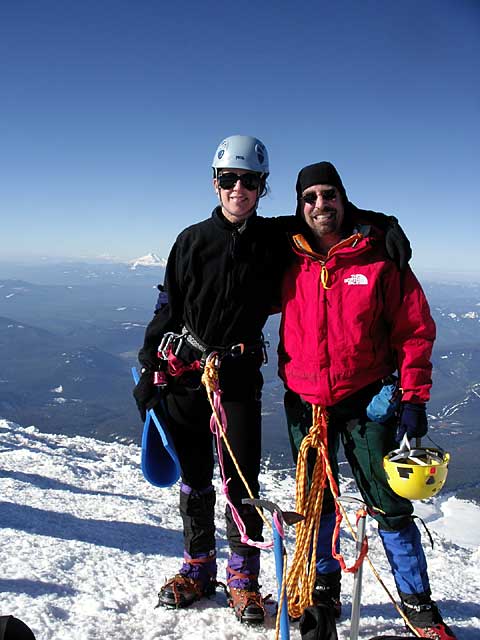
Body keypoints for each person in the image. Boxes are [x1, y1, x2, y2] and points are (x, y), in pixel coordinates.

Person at [133, 136, 411, 625]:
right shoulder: (192, 240)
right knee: (196, 476)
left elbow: (327, 216)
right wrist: (149, 366)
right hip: (187, 378)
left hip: (238, 377)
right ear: (215, 182)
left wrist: (382, 224)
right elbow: (169, 305)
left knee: (243, 480)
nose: (238, 189)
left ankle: (243, 579)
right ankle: (198, 568)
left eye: (250, 181)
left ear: (263, 187)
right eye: (229, 179)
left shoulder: (273, 237)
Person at [278, 161, 456, 640]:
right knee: (317, 504)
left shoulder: (379, 255)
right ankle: (322, 593)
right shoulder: (285, 255)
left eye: (328, 194)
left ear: (343, 198)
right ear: (299, 204)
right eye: (310, 196)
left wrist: (414, 397)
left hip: (366, 399)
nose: (320, 204)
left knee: (389, 504)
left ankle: (419, 605)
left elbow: (416, 330)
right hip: (306, 402)